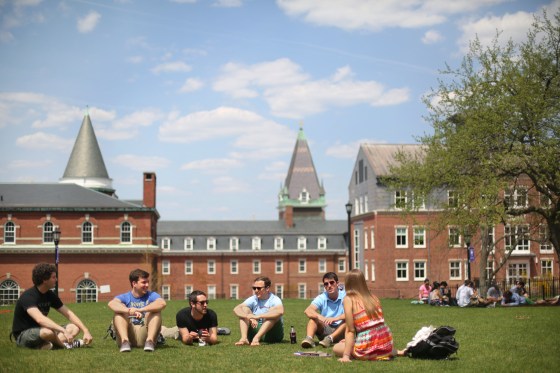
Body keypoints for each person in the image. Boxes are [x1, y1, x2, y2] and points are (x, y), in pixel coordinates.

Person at [11, 263, 93, 350]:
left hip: (42, 330)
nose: (56, 279)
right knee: (49, 332)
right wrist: (63, 331)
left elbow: (68, 313)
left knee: (74, 327)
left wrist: (86, 330)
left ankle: (48, 345)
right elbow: (40, 319)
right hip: (23, 335)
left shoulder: (50, 295)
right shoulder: (28, 296)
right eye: (53, 277)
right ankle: (64, 345)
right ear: (44, 280)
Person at [333, 269, 395, 362]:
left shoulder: (349, 299)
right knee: (347, 342)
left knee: (336, 347)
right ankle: (392, 352)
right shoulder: (373, 298)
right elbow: (374, 325)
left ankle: (369, 353)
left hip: (367, 347)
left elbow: (350, 330)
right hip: (385, 344)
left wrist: (346, 356)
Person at [108, 268, 166, 352]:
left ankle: (150, 341)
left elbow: (162, 303)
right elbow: (111, 304)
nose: (147, 285)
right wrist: (128, 311)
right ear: (134, 283)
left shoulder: (152, 295)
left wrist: (140, 310)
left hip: (145, 332)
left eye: (147, 282)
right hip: (128, 331)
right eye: (143, 282)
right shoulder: (125, 297)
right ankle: (125, 342)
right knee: (119, 312)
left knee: (155, 311)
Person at [233, 276, 284, 346]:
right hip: (256, 330)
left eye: (259, 288)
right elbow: (236, 309)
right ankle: (244, 339)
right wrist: (248, 316)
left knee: (273, 313)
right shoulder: (253, 299)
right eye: (254, 288)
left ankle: (256, 338)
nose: (256, 290)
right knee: (244, 309)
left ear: (267, 288)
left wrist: (257, 316)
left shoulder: (274, 299)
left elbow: (280, 311)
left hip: (272, 335)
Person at [301, 272, 346, 348]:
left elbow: (352, 313)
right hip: (326, 329)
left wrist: (334, 319)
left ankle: (330, 339)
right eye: (326, 284)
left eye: (332, 283)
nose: (329, 286)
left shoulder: (345, 295)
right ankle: (309, 339)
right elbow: (308, 310)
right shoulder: (322, 297)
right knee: (313, 319)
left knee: (348, 320)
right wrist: (323, 318)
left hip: (342, 330)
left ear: (337, 283)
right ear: (324, 286)